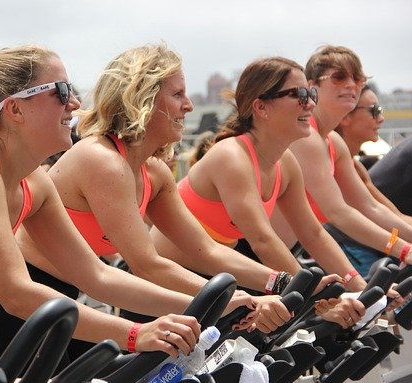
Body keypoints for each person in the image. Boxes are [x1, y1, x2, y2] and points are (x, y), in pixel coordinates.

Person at [0, 45, 210, 375]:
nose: (73, 103)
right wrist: (135, 333)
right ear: (15, 109)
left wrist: (215, 302)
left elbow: (97, 276)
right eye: (60, 91)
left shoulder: (36, 185)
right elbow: (15, 294)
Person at [16, 43, 296, 339]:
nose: (188, 105)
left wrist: (282, 282)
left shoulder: (154, 171)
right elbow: (147, 264)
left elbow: (209, 251)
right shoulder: (102, 160)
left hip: (68, 299)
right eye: (177, 95)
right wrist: (235, 298)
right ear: (143, 99)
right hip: (19, 301)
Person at [150, 56, 371, 327]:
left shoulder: (286, 163)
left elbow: (313, 234)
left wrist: (359, 288)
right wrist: (310, 292)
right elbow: (262, 240)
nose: (310, 103)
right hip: (166, 286)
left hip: (213, 284)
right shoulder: (232, 156)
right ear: (261, 107)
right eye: (298, 94)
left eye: (310, 93)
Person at [275, 46, 412, 285]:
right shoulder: (307, 139)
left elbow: (370, 207)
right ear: (311, 86)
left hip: (282, 251)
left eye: (357, 78)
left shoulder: (333, 142)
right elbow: (338, 212)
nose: (351, 84)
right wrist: (402, 249)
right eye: (339, 77)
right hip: (249, 250)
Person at [325, 85, 412, 275]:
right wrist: (404, 248)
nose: (381, 118)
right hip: (346, 246)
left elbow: (392, 214)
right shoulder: (329, 161)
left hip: (364, 244)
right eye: (374, 111)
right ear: (345, 116)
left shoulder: (356, 166)